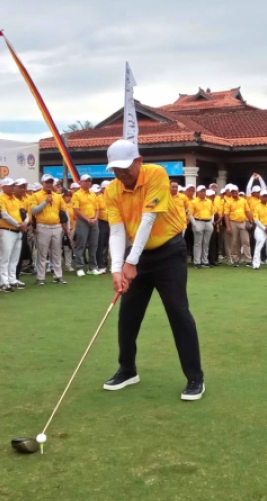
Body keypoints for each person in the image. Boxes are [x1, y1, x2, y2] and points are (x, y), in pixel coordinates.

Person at [101, 139, 205, 401]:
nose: (121, 174)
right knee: (128, 315)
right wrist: (116, 269)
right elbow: (116, 231)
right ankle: (127, 369)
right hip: (137, 256)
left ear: (138, 160)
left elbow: (148, 219)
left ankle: (195, 378)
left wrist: (130, 262)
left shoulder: (156, 174)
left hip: (169, 253)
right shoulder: (112, 191)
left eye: (126, 168)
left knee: (178, 312)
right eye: (116, 169)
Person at [30, 174, 68, 285]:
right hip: (43, 226)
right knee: (42, 253)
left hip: (56, 226)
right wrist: (45, 202)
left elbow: (63, 212)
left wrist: (65, 227)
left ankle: (58, 276)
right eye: (47, 182)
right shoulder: (36, 195)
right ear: (42, 183)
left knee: (56, 253)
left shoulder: (58, 196)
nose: (49, 184)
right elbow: (34, 211)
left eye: (51, 182)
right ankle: (40, 277)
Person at [0, 177, 26, 291]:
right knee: (5, 258)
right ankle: (4, 282)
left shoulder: (16, 200)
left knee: (14, 258)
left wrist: (24, 223)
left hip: (17, 231)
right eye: (10, 186)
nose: (13, 188)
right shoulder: (0, 199)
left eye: (14, 185)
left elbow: (24, 214)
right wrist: (19, 224)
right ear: (3, 187)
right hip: (7, 230)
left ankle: (12, 279)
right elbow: (4, 215)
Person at [72, 174, 100, 276]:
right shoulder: (76, 194)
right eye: (86, 181)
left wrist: (95, 218)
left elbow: (97, 208)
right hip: (82, 222)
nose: (88, 182)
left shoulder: (93, 194)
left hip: (93, 221)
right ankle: (79, 267)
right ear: (81, 182)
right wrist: (87, 219)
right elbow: (76, 210)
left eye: (89, 181)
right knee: (81, 245)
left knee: (94, 245)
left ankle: (92, 267)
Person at [224, 185, 252, 266]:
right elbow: (226, 215)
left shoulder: (243, 200)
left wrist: (251, 221)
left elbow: (247, 211)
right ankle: (236, 260)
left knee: (246, 241)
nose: (234, 192)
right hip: (233, 223)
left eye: (235, 191)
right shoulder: (228, 202)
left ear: (238, 191)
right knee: (234, 242)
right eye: (232, 191)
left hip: (243, 222)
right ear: (231, 192)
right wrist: (228, 226)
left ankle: (248, 260)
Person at [190, 185, 214, 268]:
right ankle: (197, 262)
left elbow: (212, 212)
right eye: (201, 191)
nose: (203, 192)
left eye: (204, 191)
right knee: (198, 243)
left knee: (206, 243)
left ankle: (205, 260)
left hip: (208, 222)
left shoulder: (209, 201)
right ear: (198, 192)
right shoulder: (194, 202)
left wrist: (212, 222)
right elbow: (190, 214)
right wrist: (194, 224)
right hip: (198, 221)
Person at [96, 181, 110, 274]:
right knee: (101, 244)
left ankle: (110, 264)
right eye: (106, 188)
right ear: (103, 189)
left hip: (112, 223)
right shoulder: (98, 198)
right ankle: (101, 265)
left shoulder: (113, 197)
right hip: (102, 223)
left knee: (111, 245)